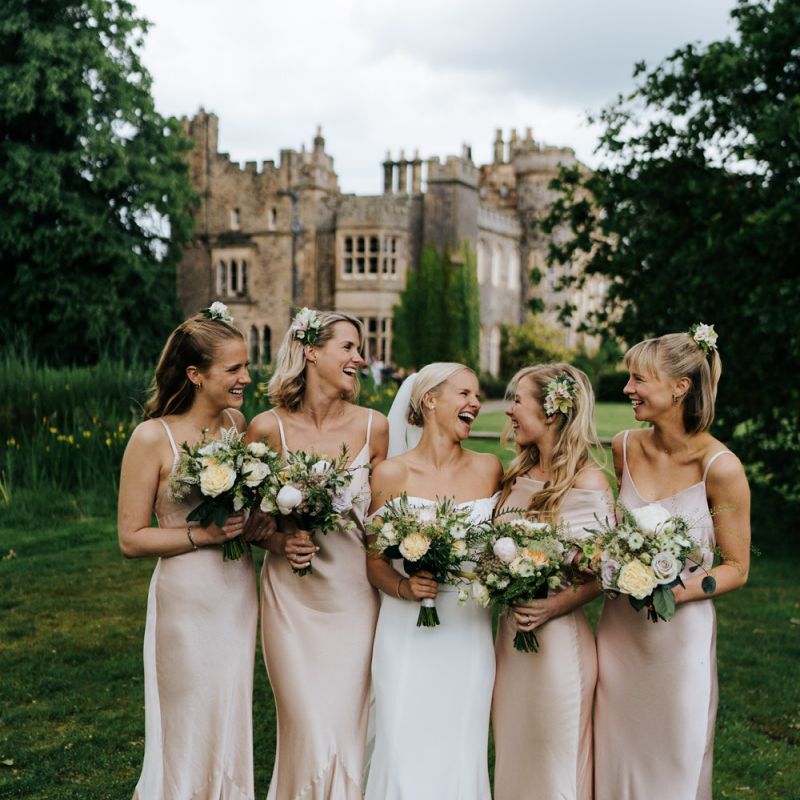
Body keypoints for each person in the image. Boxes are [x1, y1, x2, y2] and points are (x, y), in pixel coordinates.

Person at [118, 303, 269, 800]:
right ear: (195, 374)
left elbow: (243, 512)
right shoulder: (151, 438)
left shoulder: (235, 423)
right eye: (234, 369)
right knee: (186, 715)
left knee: (228, 707)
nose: (246, 376)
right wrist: (199, 537)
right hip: (186, 599)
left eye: (246, 365)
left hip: (236, 591)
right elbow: (131, 538)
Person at [594, 326, 751, 800]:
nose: (628, 390)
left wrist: (671, 589)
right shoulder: (623, 446)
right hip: (619, 633)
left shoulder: (720, 468)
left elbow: (737, 568)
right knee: (614, 753)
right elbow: (608, 531)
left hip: (680, 641)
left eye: (639, 380)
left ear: (680, 387)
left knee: (676, 759)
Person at [247, 309, 388, 800]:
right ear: (311, 352)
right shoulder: (267, 429)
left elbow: (384, 524)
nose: (360, 358)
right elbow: (246, 521)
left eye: (359, 348)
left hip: (355, 597)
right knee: (306, 727)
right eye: (348, 347)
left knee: (349, 729)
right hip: (292, 599)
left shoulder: (376, 427)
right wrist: (280, 541)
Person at [364, 362, 503, 800]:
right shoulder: (390, 474)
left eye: (477, 396)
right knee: (403, 745)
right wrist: (405, 587)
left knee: (461, 747)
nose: (475, 403)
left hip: (467, 628)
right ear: (430, 401)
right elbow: (374, 563)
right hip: (406, 629)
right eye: (465, 394)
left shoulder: (490, 469)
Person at [491, 363, 613, 800]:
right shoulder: (514, 477)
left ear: (552, 412)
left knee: (554, 763)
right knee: (515, 755)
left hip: (557, 643)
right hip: (511, 641)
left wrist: (552, 606)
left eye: (518, 400)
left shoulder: (588, 482)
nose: (509, 411)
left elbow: (605, 573)